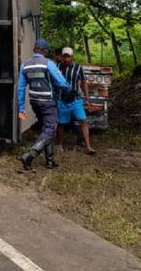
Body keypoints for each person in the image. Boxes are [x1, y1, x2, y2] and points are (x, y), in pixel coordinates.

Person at [17, 38, 71, 171]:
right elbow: (61, 82)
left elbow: (21, 88)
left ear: (35, 49)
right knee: (50, 130)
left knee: (45, 129)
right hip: (47, 103)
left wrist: (21, 107)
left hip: (34, 102)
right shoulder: (48, 63)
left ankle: (50, 161)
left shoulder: (25, 65)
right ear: (45, 51)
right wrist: (68, 88)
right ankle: (29, 155)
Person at [55, 47, 96, 155]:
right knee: (61, 123)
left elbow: (83, 82)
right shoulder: (57, 67)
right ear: (62, 57)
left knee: (83, 120)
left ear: (72, 57)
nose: (67, 58)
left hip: (75, 99)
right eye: (65, 56)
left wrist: (87, 98)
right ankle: (59, 145)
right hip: (62, 100)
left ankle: (88, 146)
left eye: (69, 56)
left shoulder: (78, 68)